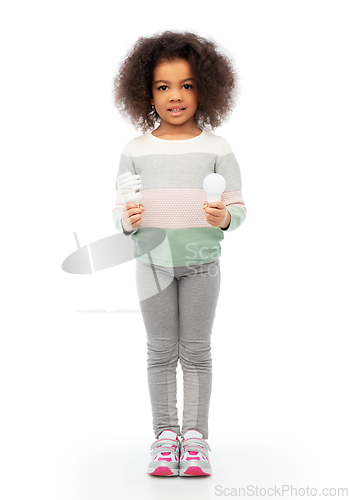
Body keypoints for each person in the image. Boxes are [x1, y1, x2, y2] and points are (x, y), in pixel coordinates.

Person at [112, 31, 246, 477]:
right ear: (146, 92)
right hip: (151, 265)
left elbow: (238, 208)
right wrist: (127, 221)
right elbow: (120, 212)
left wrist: (223, 218)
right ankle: (165, 437)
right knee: (159, 351)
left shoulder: (218, 149)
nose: (175, 96)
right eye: (163, 86)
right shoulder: (135, 151)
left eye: (186, 85)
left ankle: (196, 440)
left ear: (205, 88)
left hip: (203, 265)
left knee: (197, 352)